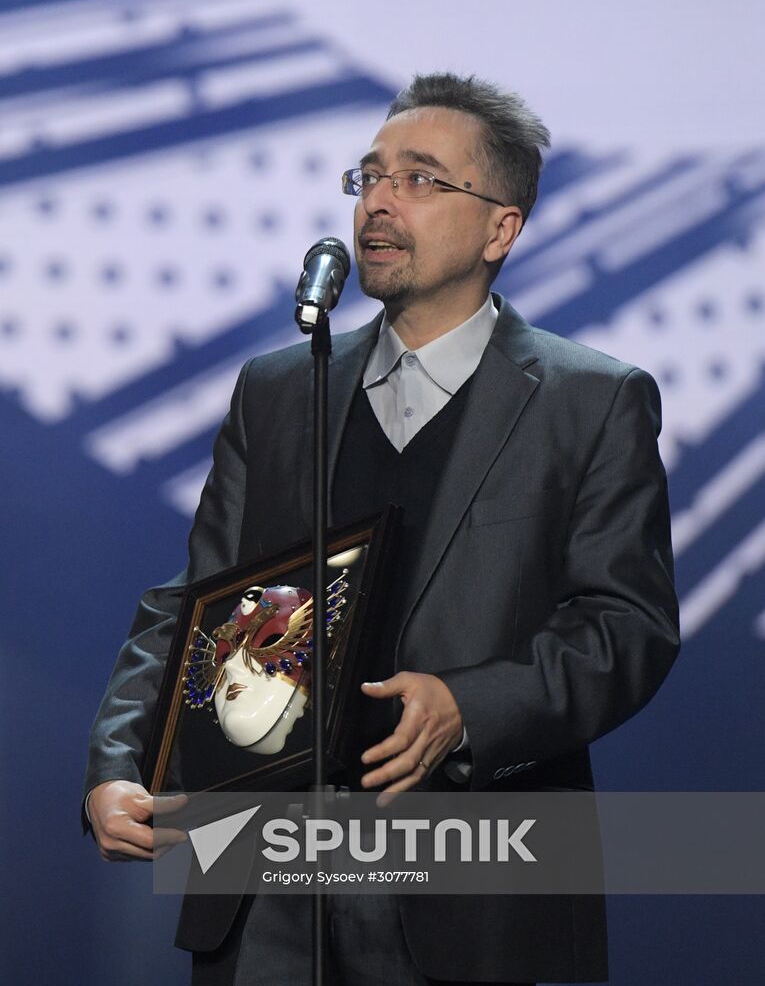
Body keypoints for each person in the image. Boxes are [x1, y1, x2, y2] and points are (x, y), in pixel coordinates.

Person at [84, 73, 680, 985]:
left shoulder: (590, 402)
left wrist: (469, 708)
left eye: (421, 179)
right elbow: (195, 601)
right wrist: (120, 759)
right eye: (368, 178)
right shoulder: (279, 389)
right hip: (265, 879)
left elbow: (624, 626)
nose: (380, 203)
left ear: (500, 228)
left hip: (467, 882)